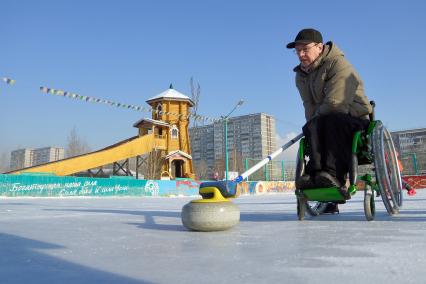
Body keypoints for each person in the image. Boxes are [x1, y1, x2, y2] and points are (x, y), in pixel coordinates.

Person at [287, 28, 373, 199]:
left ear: (319, 47)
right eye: (297, 51)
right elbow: (308, 106)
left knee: (331, 120)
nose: (301, 54)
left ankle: (333, 174)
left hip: (353, 119)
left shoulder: (339, 64)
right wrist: (311, 125)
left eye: (305, 49)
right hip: (324, 119)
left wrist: (316, 120)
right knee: (311, 126)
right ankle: (317, 175)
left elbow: (336, 103)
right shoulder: (301, 76)